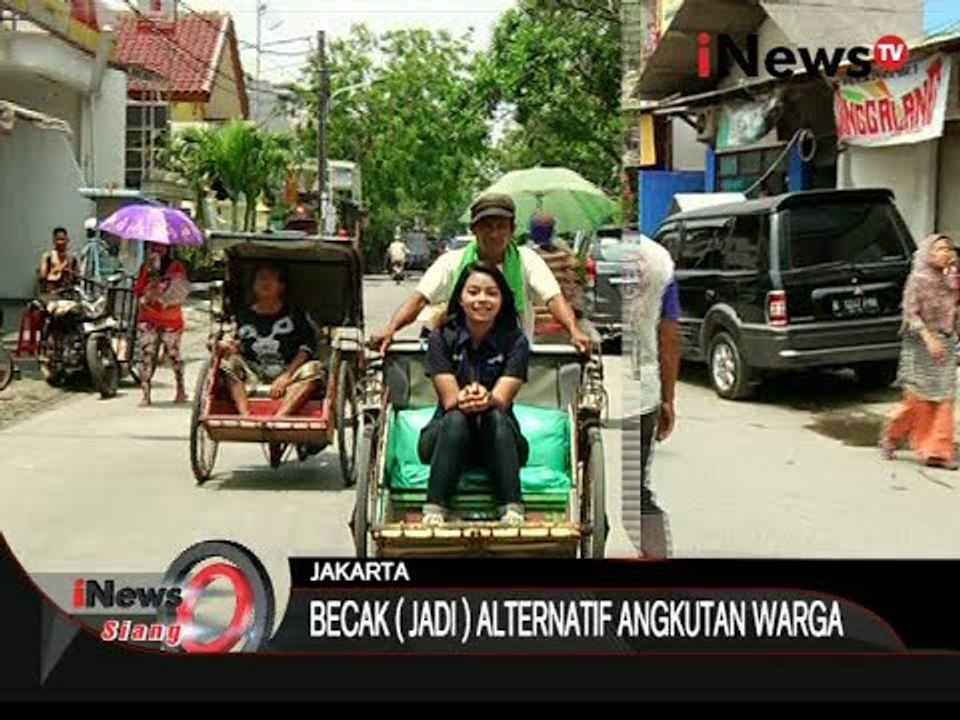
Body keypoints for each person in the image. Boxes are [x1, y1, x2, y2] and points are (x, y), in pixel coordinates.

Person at [373, 194, 592, 353]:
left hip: (512, 360)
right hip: (460, 360)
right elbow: (419, 299)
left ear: (512, 230)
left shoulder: (528, 260)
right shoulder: (451, 262)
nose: (494, 234)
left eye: (501, 226)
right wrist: (391, 329)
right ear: (474, 229)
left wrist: (574, 330)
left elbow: (553, 298)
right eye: (487, 226)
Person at [419, 261, 531, 527]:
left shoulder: (516, 341)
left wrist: (487, 398)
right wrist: (469, 395)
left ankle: (512, 508)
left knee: (494, 414)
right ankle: (435, 508)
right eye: (473, 292)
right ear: (460, 298)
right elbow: (450, 399)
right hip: (445, 435)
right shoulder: (440, 337)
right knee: (457, 417)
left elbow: (502, 398)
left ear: (502, 300)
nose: (482, 299)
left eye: (491, 293)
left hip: (500, 439)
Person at [880, 233, 960, 471]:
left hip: (946, 344)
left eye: (949, 249)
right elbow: (910, 313)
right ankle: (892, 435)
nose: (946, 253)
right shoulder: (917, 279)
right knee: (919, 401)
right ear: (928, 253)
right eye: (940, 249)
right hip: (920, 345)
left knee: (945, 399)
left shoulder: (951, 279)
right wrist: (928, 339)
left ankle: (938, 452)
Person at [220, 262, 325, 417]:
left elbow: (306, 347)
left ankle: (279, 417)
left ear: (281, 286)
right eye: (261, 278)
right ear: (254, 284)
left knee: (314, 369)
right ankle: (245, 415)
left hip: (289, 370)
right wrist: (227, 346)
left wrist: (286, 376)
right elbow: (233, 341)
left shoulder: (296, 314)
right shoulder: (242, 315)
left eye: (271, 278)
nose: (265, 282)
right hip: (253, 371)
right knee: (227, 363)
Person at [632, 236, 681, 558]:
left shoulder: (581, 257)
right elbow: (670, 334)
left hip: (581, 387)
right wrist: (668, 398)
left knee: (578, 486)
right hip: (641, 391)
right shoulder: (659, 259)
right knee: (635, 490)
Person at [133, 243, 190, 407]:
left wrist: (161, 289)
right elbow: (138, 290)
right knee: (146, 355)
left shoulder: (176, 267)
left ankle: (180, 388)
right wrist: (149, 281)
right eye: (155, 247)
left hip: (170, 318)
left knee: (173, 354)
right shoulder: (145, 267)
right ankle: (146, 394)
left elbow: (180, 291)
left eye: (162, 247)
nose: (158, 250)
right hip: (148, 318)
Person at [528, 211, 585, 332]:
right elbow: (575, 277)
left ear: (532, 232)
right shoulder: (562, 255)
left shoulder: (526, 256)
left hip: (535, 319)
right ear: (552, 232)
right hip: (562, 318)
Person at [39, 227, 80, 294]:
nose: (60, 242)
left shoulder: (72, 257)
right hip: (51, 291)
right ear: (54, 241)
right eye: (58, 239)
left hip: (68, 291)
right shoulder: (48, 256)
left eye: (62, 239)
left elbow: (77, 275)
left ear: (67, 240)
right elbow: (42, 276)